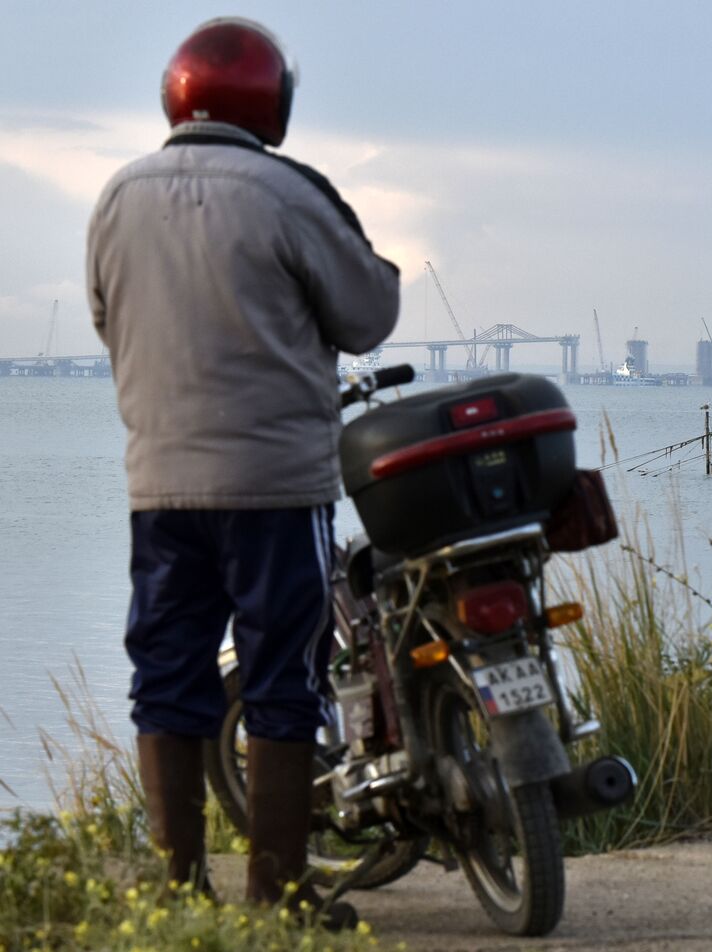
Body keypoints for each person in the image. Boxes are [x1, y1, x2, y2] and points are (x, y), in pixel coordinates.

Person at [85, 17, 399, 926]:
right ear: (273, 102)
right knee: (281, 677)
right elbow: (367, 312)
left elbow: (109, 320)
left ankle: (179, 889)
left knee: (167, 671)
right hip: (275, 488)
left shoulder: (116, 195)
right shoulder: (286, 192)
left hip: (162, 486)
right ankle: (279, 890)